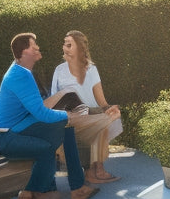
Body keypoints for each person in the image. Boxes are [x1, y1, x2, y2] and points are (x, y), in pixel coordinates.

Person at [0, 32, 99, 199]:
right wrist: (68, 115)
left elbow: (38, 110)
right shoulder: (19, 75)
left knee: (63, 129)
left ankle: (71, 188)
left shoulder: (23, 72)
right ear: (24, 52)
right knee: (48, 146)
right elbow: (41, 113)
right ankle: (27, 195)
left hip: (22, 129)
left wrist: (65, 116)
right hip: (9, 137)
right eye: (33, 46)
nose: (38, 48)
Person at [50, 30, 123, 183]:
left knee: (98, 118)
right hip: (71, 115)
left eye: (69, 44)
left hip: (91, 111)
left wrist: (108, 109)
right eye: (65, 44)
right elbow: (54, 98)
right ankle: (93, 172)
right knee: (90, 122)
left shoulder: (91, 69)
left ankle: (98, 170)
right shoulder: (59, 70)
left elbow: (101, 100)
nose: (65, 47)